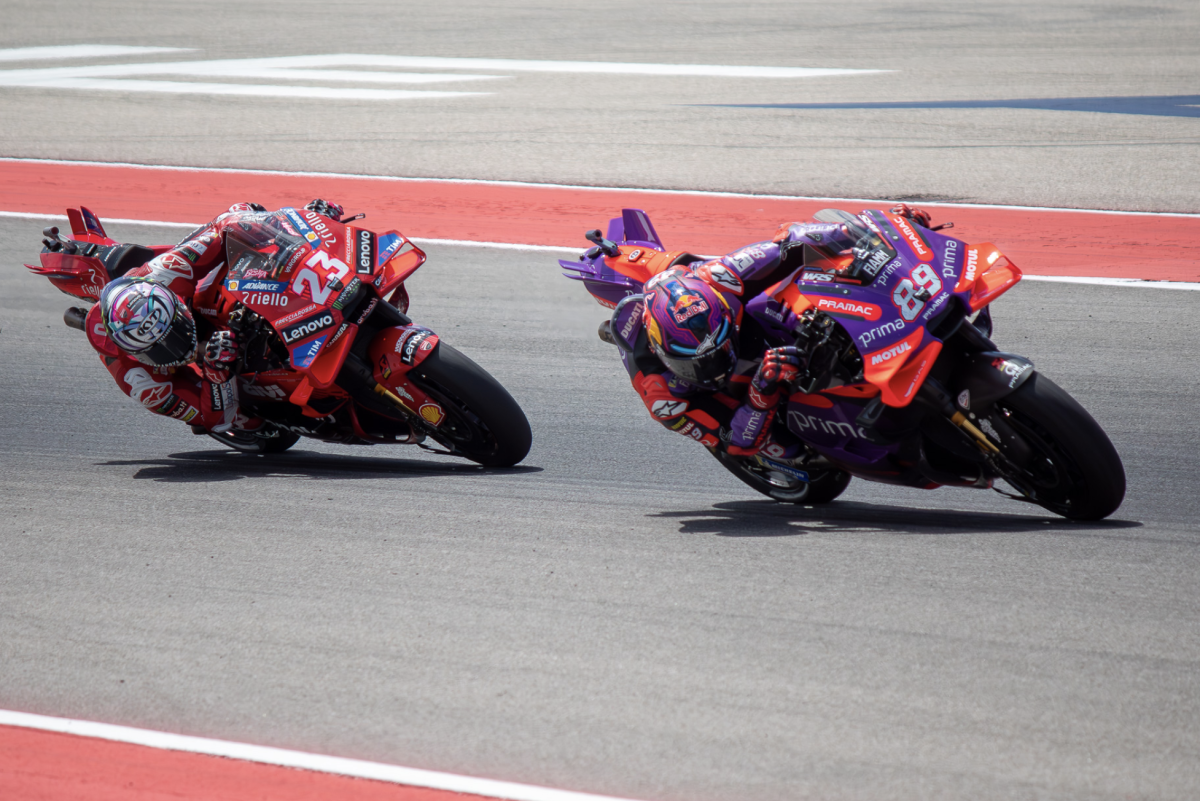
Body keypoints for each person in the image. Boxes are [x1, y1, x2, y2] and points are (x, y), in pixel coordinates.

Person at [623, 204, 932, 459]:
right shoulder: (662, 394)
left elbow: (791, 242)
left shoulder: (723, 276)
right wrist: (762, 391)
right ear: (661, 351)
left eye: (719, 351)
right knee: (787, 448)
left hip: (761, 326)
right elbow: (733, 441)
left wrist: (873, 229)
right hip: (746, 401)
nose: (712, 368)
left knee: (834, 264)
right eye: (694, 362)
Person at [76, 199, 344, 433]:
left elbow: (228, 220)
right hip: (217, 384)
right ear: (137, 354)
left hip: (209, 293)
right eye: (162, 348)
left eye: (176, 330)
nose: (178, 345)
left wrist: (301, 222)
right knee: (250, 423)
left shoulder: (167, 272)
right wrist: (216, 374)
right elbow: (215, 421)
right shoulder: (141, 382)